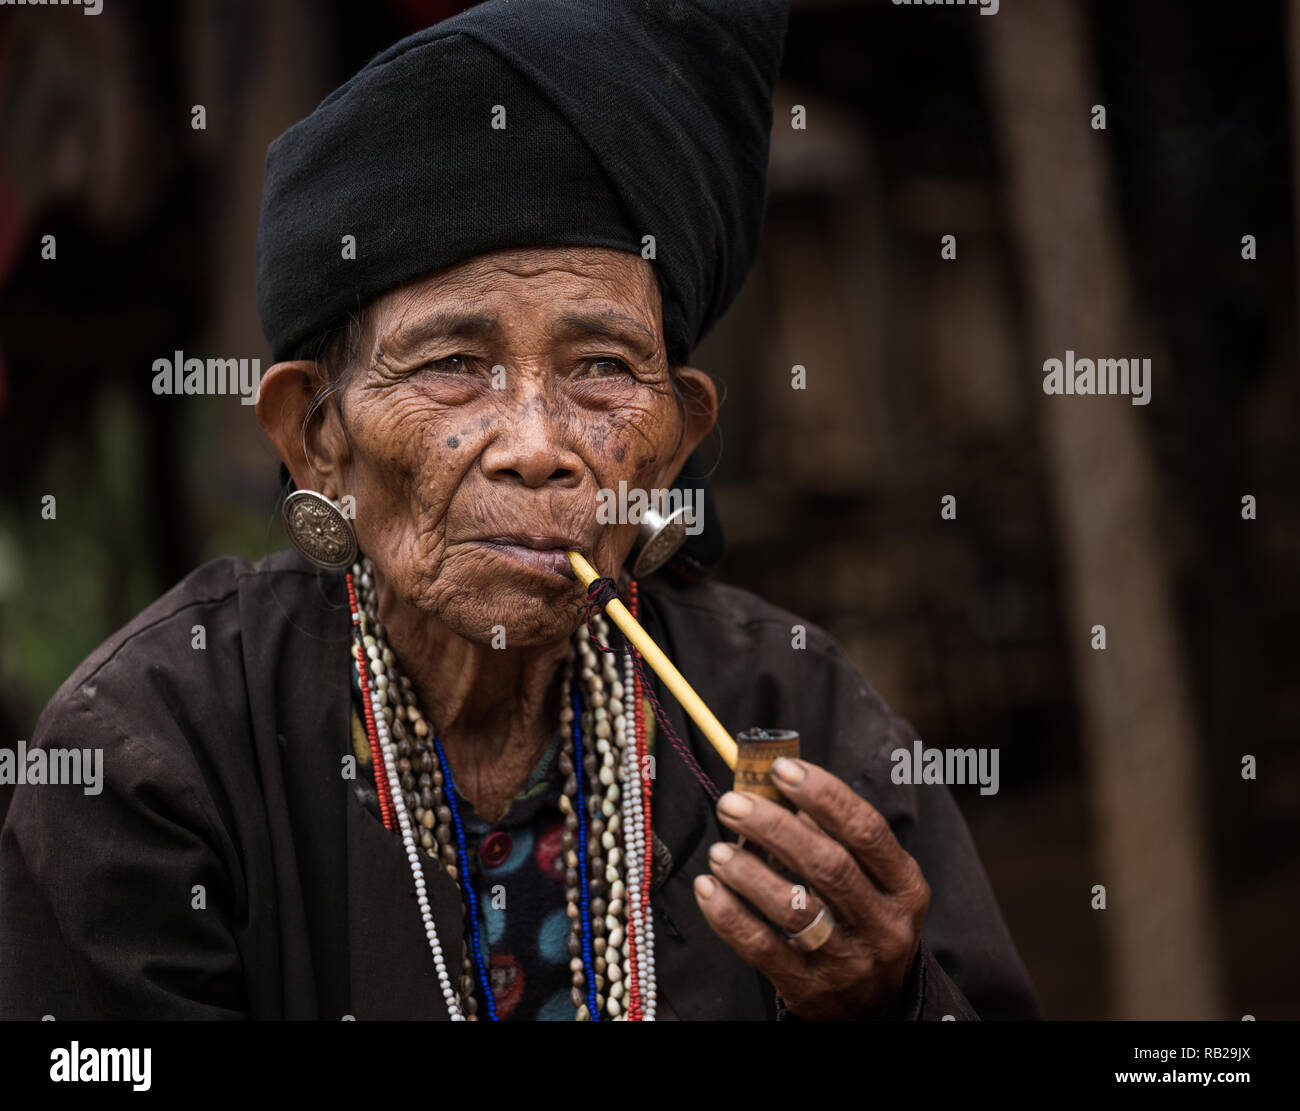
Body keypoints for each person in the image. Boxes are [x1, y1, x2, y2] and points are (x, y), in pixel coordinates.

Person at [0, 0, 1038, 1021]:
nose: (538, 447)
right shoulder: (155, 756)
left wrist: (888, 1002)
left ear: (674, 441)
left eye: (600, 368)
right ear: (316, 435)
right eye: (453, 365)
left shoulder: (793, 707)